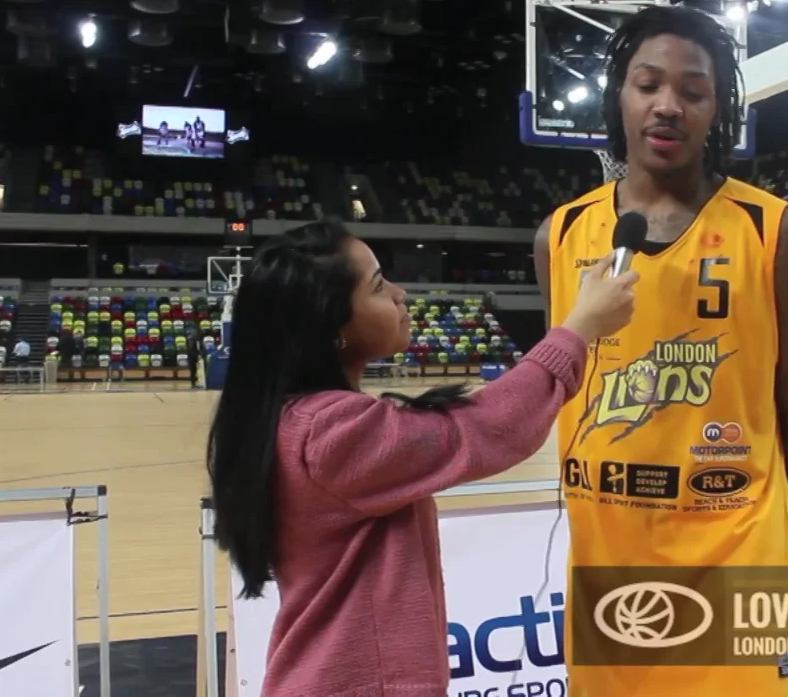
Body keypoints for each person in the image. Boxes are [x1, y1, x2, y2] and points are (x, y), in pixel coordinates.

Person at [533, 5, 788, 696]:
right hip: (609, 547)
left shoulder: (780, 231)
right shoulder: (560, 234)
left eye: (692, 92)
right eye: (648, 85)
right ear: (620, 96)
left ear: (717, 108)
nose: (668, 106)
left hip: (736, 540)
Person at [206, 220, 636, 696]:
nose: (399, 292)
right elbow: (489, 428)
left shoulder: (291, 419)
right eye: (376, 285)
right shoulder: (331, 434)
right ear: (331, 327)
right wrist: (578, 329)